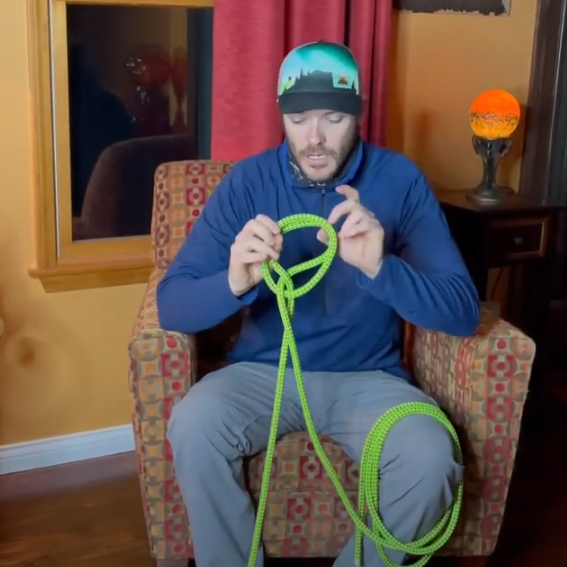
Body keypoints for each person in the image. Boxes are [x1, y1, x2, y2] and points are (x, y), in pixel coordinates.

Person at [157, 41, 479, 567]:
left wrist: (381, 268)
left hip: (369, 378)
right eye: (299, 119)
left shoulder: (400, 181)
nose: (314, 139)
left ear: (359, 112)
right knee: (195, 423)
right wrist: (234, 282)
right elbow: (172, 305)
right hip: (262, 374)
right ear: (280, 115)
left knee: (430, 456)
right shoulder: (247, 183)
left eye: (333, 118)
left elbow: (462, 312)